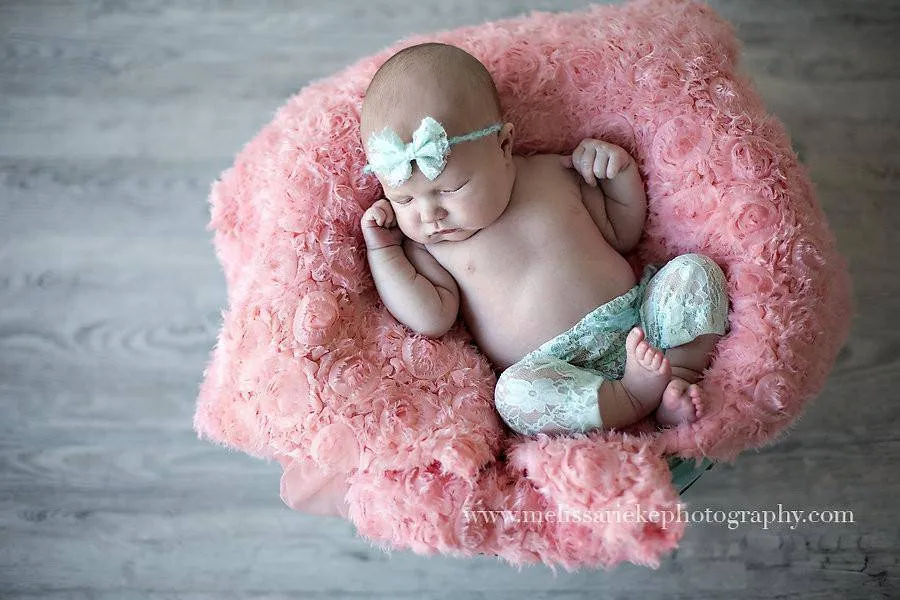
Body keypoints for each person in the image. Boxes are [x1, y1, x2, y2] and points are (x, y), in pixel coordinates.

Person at [359, 43, 729, 436]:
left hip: (640, 321)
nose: (429, 213)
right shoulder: (430, 245)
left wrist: (618, 174)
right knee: (514, 396)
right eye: (404, 199)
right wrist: (382, 250)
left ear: (503, 146)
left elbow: (622, 233)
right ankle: (629, 397)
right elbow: (430, 318)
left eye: (452, 189)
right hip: (556, 368)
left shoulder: (553, 174)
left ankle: (679, 377)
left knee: (696, 272)